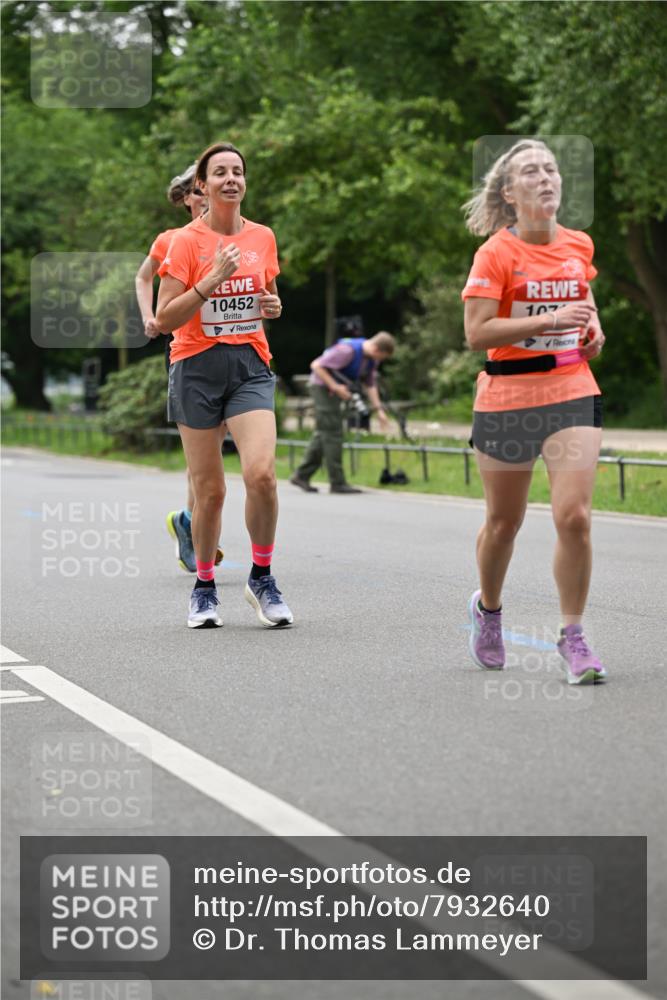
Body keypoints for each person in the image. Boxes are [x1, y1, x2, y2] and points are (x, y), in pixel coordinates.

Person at [461, 138, 607, 685]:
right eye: (531, 171)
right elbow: (477, 333)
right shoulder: (496, 254)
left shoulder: (579, 246)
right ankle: (489, 610)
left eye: (551, 168)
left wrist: (591, 336)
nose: (546, 177)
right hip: (507, 397)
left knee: (574, 516)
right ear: (509, 192)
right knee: (504, 523)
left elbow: (586, 316)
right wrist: (548, 323)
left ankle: (574, 636)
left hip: (571, 387)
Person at [155, 141, 293, 629]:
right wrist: (209, 281)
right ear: (202, 186)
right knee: (209, 492)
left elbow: (267, 297)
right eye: (220, 173)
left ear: (244, 182)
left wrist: (272, 307)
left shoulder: (263, 237)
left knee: (262, 475)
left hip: (249, 367)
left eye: (238, 171)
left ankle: (262, 577)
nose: (230, 179)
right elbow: (166, 316)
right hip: (195, 369)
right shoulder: (185, 242)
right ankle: (205, 587)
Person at [134, 165, 222, 572]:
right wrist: (149, 316)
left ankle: (188, 522)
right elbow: (143, 277)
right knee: (200, 457)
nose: (206, 198)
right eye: (198, 193)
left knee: (208, 454)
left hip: (231, 356)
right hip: (189, 353)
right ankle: (191, 524)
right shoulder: (172, 240)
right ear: (187, 198)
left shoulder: (233, 235)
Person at [290, 332, 396, 494]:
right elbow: (317, 366)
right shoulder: (347, 350)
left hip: (334, 391)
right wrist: (335, 387)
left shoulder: (370, 360)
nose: (379, 361)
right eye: (381, 356)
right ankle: (337, 482)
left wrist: (379, 410)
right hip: (322, 388)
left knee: (324, 432)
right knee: (333, 433)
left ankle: (302, 475)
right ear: (376, 348)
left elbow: (370, 384)